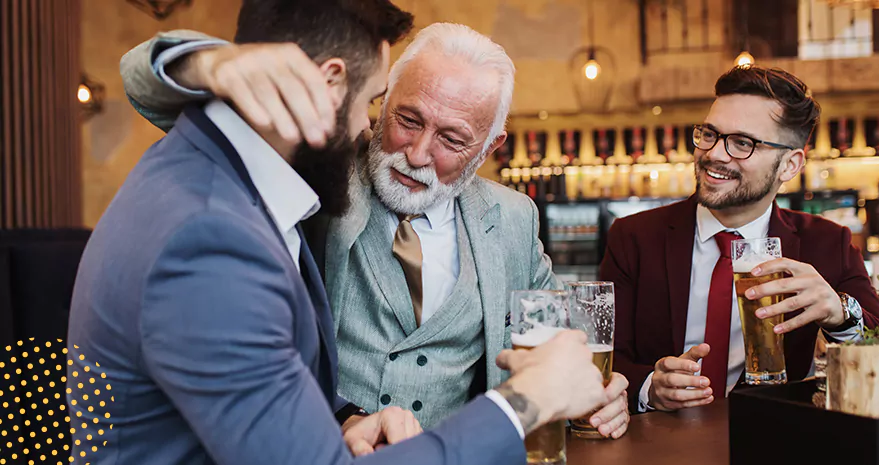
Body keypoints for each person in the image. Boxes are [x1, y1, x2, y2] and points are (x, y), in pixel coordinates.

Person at [67, 1, 628, 464]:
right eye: (399, 116)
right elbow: (148, 79)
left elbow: (559, 342)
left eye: (452, 140)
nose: (415, 152)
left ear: (488, 149)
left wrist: (596, 390)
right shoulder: (302, 181)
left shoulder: (511, 216)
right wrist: (212, 64)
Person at [598, 65, 879, 413]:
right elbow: (603, 359)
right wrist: (648, 387)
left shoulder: (828, 243)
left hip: (778, 440)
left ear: (790, 165)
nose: (714, 154)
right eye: (709, 134)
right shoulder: (634, 238)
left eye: (742, 143)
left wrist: (839, 311)